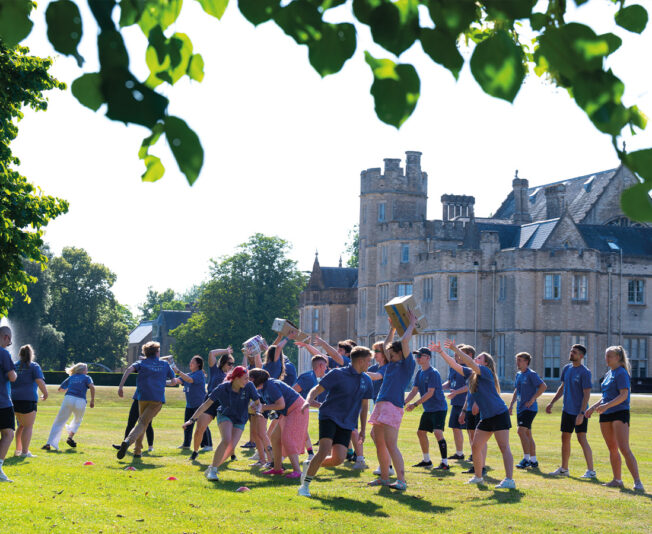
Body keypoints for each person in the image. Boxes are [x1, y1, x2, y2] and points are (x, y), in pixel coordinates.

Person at [434, 341, 515, 489]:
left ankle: (509, 480)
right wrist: (441, 352)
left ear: (485, 363)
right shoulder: (471, 374)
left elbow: (469, 362)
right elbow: (454, 365)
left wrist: (455, 349)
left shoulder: (485, 372)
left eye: (479, 358)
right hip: (486, 417)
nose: (476, 359)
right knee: (476, 446)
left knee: (504, 447)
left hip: (499, 414)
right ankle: (478, 477)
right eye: (476, 358)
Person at [297, 345, 373, 498]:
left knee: (338, 459)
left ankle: (309, 465)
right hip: (329, 415)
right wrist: (308, 400)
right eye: (368, 361)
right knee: (324, 449)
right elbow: (317, 389)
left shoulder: (367, 380)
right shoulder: (338, 374)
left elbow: (364, 407)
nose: (369, 364)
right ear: (360, 361)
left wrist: (363, 430)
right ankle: (304, 486)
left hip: (348, 422)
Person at [184, 366, 261, 481]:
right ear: (236, 378)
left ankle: (211, 468)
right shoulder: (223, 388)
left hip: (240, 419)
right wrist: (192, 419)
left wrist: (258, 410)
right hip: (225, 415)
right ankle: (214, 471)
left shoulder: (249, 386)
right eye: (245, 378)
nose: (247, 381)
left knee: (230, 449)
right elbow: (206, 404)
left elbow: (258, 403)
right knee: (226, 439)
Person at [367, 312, 417, 491]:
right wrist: (392, 328)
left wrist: (411, 324)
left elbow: (403, 342)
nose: (389, 356)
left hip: (392, 405)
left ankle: (401, 480)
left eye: (392, 355)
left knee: (390, 444)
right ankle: (385, 478)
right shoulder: (392, 363)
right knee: (377, 438)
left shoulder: (406, 365)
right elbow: (387, 345)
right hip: (381, 403)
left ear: (400, 355)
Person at [585, 346, 644, 491]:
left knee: (624, 448)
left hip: (619, 412)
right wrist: (593, 407)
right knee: (612, 448)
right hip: (606, 414)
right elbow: (605, 397)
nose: (606, 358)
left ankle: (637, 482)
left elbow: (623, 395)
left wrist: (606, 406)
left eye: (609, 356)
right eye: (606, 356)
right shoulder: (608, 374)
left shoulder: (621, 373)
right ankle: (617, 480)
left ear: (617, 357)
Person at [116, 341, 175, 459]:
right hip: (157, 399)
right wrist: (162, 382)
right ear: (157, 352)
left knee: (143, 422)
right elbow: (173, 382)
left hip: (142, 397)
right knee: (143, 423)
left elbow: (128, 370)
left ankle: (137, 451)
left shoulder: (141, 362)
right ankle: (127, 442)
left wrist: (121, 387)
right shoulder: (164, 364)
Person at [545, 344, 595, 478]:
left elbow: (586, 394)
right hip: (567, 410)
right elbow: (562, 388)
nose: (571, 353)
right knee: (565, 438)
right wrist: (552, 402)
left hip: (579, 412)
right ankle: (564, 469)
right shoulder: (567, 368)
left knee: (581, 438)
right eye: (571, 351)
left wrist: (581, 413)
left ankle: (591, 471)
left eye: (575, 352)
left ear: (581, 356)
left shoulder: (585, 372)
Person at [250, 368, 309, 478]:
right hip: (288, 412)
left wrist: (263, 407)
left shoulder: (271, 385)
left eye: (250, 379)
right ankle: (277, 468)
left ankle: (297, 471)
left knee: (287, 438)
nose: (248, 381)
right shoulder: (263, 388)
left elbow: (280, 405)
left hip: (297, 409)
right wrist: (258, 406)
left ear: (255, 379)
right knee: (275, 437)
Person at [405, 347, 449, 470]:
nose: (417, 358)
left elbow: (430, 393)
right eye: (416, 356)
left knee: (438, 433)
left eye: (420, 356)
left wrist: (415, 405)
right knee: (421, 433)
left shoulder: (433, 373)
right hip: (429, 409)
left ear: (428, 358)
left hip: (439, 408)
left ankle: (445, 463)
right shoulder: (420, 373)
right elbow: (414, 391)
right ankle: (426, 461)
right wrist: (404, 402)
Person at [189, 350, 235, 460]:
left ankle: (232, 454)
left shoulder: (231, 375)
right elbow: (211, 353)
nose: (231, 366)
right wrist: (226, 351)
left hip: (224, 404)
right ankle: (195, 452)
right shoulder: (215, 370)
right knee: (200, 429)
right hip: (210, 402)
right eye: (229, 363)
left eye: (232, 364)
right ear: (223, 362)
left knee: (228, 433)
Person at [42, 363, 95, 451]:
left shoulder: (71, 377)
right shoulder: (87, 377)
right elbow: (92, 387)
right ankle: (70, 437)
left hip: (68, 398)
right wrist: (92, 400)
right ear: (82, 370)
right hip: (80, 401)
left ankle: (49, 443)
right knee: (78, 420)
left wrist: (71, 388)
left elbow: (60, 389)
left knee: (59, 421)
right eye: (86, 369)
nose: (87, 371)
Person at [508, 352, 546, 469]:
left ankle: (526, 459)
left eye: (520, 360)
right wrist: (511, 405)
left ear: (526, 362)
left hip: (529, 408)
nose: (517, 362)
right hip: (520, 408)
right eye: (517, 360)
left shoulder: (531, 374)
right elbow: (516, 390)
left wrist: (533, 398)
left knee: (521, 432)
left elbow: (543, 386)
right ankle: (533, 461)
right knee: (527, 434)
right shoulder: (519, 374)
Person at [11, 344, 48, 457]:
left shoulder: (14, 365)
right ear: (31, 354)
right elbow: (39, 381)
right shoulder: (34, 366)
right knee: (28, 426)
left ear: (20, 354)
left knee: (21, 425)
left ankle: (18, 450)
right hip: (28, 399)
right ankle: (25, 452)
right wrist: (45, 393)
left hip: (14, 399)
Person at [293, 353, 328, 459]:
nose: (326, 369)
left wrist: (322, 406)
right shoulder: (308, 377)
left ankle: (311, 454)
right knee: (285, 434)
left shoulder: (313, 378)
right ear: (321, 366)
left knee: (303, 431)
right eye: (325, 366)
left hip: (300, 409)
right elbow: (293, 391)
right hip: (293, 409)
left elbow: (308, 401)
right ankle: (271, 455)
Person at [176, 355, 212, 453]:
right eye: (190, 361)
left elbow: (189, 380)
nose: (190, 363)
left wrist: (178, 371)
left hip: (199, 404)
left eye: (193, 362)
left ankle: (208, 445)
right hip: (190, 404)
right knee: (187, 425)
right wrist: (161, 381)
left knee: (202, 425)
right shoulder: (189, 374)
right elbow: (176, 381)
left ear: (198, 364)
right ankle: (186, 444)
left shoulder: (199, 374)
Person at [442, 346, 470, 461]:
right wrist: (439, 387)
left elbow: (470, 386)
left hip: (466, 403)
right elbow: (450, 382)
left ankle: (475, 454)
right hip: (456, 402)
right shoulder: (453, 367)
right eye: (455, 354)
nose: (456, 356)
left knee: (471, 430)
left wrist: (456, 392)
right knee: (455, 427)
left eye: (459, 354)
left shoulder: (469, 368)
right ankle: (459, 454)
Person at [0, 326, 17, 482]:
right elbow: (12, 377)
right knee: (8, 434)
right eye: (10, 340)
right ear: (6, 337)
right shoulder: (4, 353)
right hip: (2, 401)